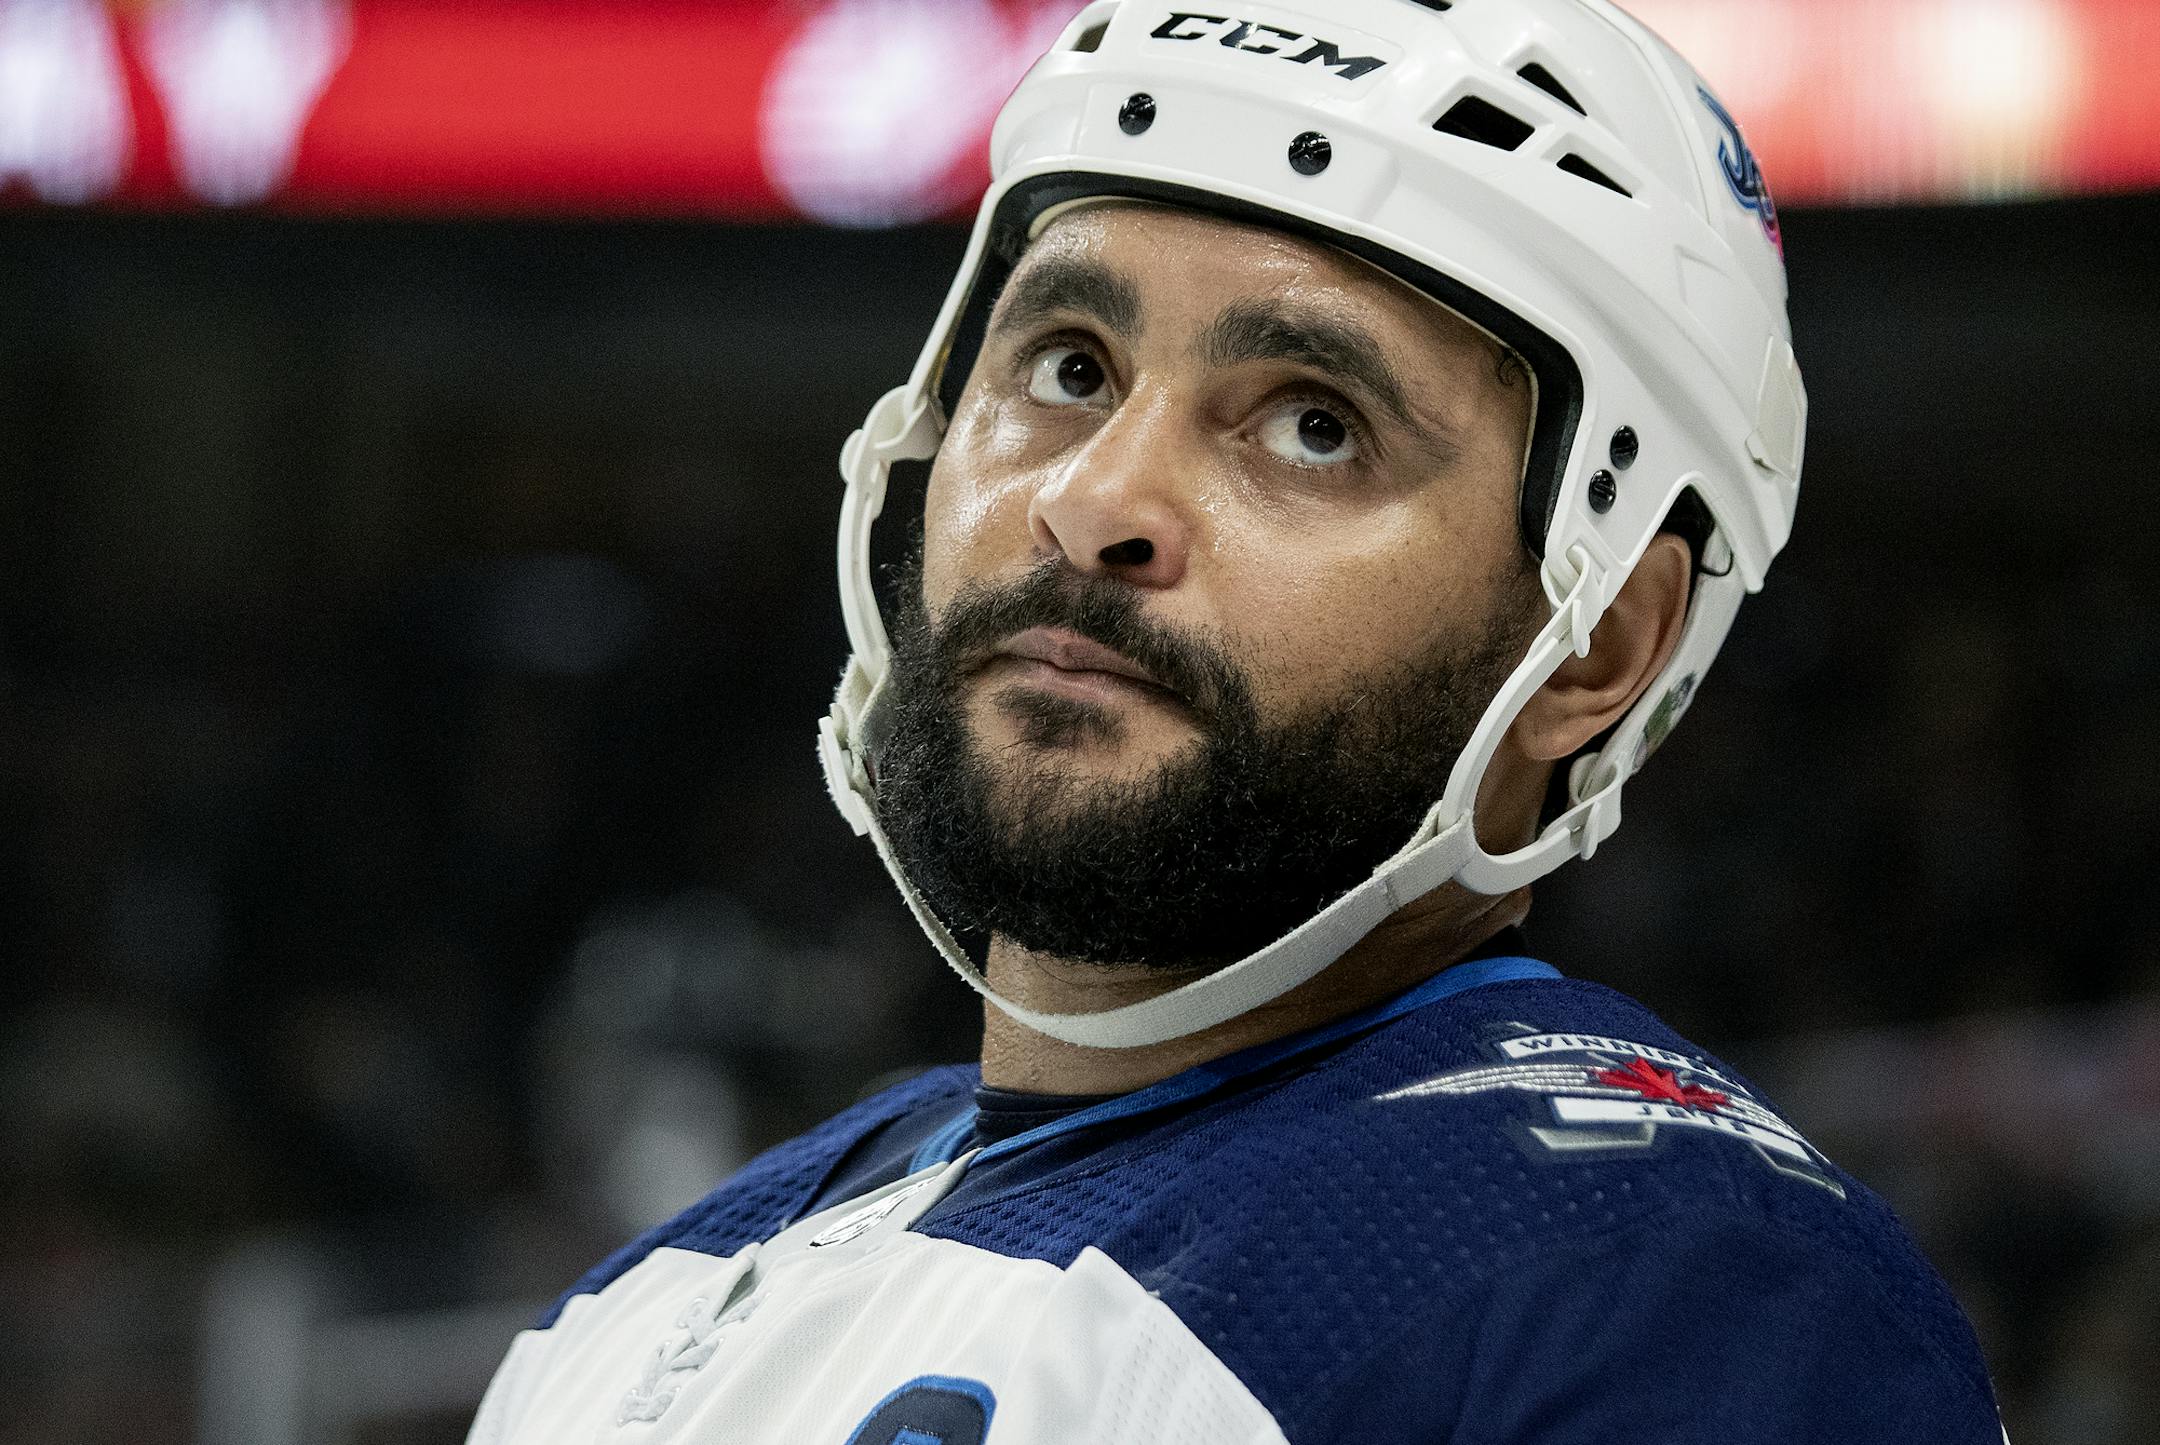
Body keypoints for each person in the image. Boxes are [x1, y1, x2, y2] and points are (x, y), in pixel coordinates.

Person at [467, 1, 2003, 1440]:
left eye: (1312, 426)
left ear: (1597, 639)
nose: (1093, 502)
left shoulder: (1670, 1284)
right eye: (1069, 368)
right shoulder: (629, 1312)